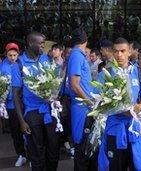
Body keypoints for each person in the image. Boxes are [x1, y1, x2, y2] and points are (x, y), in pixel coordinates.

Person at [97, 37, 141, 171]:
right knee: (115, 166)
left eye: (123, 51)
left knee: (138, 165)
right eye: (116, 51)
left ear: (130, 52)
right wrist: (119, 109)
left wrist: (139, 107)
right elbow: (98, 102)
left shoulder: (139, 73)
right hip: (114, 129)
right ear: (112, 52)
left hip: (135, 128)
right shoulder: (105, 74)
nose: (119, 55)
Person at [11, 32, 60, 171]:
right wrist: (21, 121)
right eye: (41, 44)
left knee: (53, 149)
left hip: (50, 111)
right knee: (36, 153)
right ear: (31, 44)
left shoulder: (46, 59)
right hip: (32, 113)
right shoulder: (19, 64)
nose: (43, 47)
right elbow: (16, 94)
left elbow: (54, 82)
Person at [67, 27, 98, 171]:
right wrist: (89, 102)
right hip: (82, 108)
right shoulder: (77, 56)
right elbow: (74, 85)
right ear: (86, 40)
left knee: (87, 147)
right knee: (82, 147)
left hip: (84, 107)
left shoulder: (78, 55)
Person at [0, 42, 27, 167]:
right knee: (16, 132)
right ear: (6, 54)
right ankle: (21, 154)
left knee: (28, 130)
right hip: (11, 105)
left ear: (18, 54)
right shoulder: (2, 66)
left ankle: (32, 155)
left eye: (15, 55)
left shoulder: (22, 64)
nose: (12, 57)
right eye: (10, 55)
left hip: (24, 103)